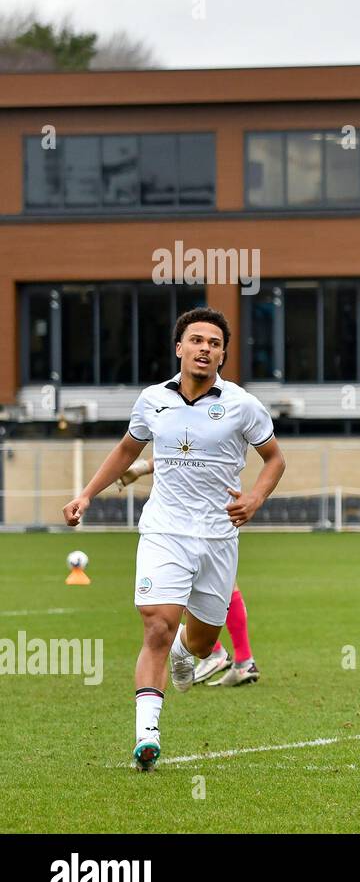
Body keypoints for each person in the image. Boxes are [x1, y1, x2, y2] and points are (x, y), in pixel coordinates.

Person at [63, 308, 286, 771]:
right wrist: (86, 494)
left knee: (202, 641)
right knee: (157, 624)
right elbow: (128, 449)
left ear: (223, 353)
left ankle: (190, 654)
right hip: (164, 531)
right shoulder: (151, 400)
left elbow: (274, 460)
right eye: (197, 340)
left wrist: (256, 499)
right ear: (179, 347)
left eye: (215, 343)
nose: (206, 348)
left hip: (219, 536)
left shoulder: (243, 404)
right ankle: (147, 733)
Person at [118, 459, 261, 687]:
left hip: (197, 516)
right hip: (214, 516)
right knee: (222, 584)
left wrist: (141, 467)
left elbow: (188, 449)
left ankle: (215, 654)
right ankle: (242, 660)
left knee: (183, 580)